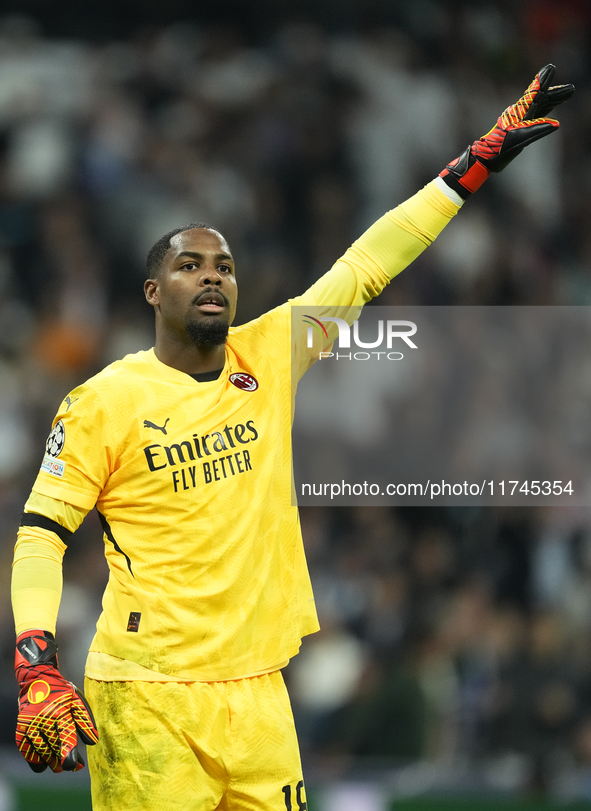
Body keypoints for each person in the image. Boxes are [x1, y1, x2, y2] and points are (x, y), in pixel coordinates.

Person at [12, 65, 573, 810]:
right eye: (189, 266)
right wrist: (35, 661)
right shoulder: (103, 400)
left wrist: (472, 165)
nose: (212, 277)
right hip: (147, 694)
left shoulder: (268, 353)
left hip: (259, 693)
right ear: (154, 292)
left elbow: (366, 265)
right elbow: (39, 535)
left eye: (224, 266)